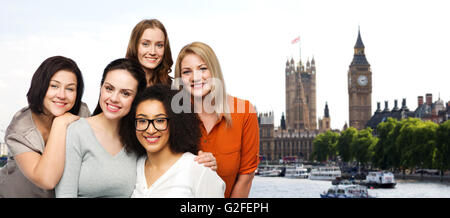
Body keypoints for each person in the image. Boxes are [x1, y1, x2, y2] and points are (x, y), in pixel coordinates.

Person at [173, 42, 260, 198]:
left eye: (203, 68)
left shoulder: (245, 111)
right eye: (187, 72)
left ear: (214, 70)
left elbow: (246, 176)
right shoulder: (173, 115)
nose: (195, 77)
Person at [126, 19, 216, 168]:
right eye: (145, 44)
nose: (153, 52)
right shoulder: (121, 80)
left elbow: (186, 136)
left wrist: (204, 159)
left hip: (162, 166)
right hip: (127, 162)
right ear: (135, 46)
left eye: (159, 45)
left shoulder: (175, 89)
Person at [55, 58, 147, 198]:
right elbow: (65, 194)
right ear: (101, 88)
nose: (114, 98)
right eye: (109, 88)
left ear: (136, 98)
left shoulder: (138, 139)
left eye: (125, 93)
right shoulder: (77, 131)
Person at [0, 56, 90, 198]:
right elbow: (47, 180)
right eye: (54, 86)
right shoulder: (19, 130)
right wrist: (60, 124)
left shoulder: (81, 113)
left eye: (70, 89)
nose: (62, 95)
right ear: (40, 86)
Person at [125, 84, 225, 197]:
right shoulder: (136, 166)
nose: (150, 130)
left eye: (160, 120)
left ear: (175, 123)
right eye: (142, 121)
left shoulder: (198, 169)